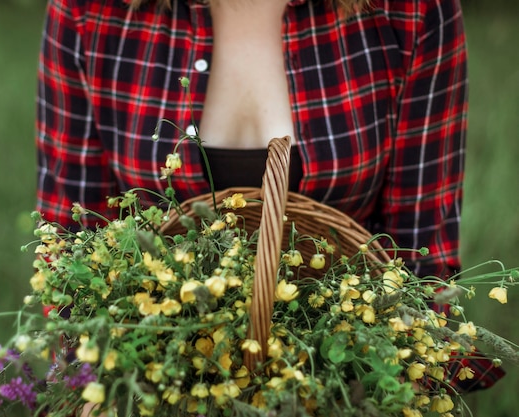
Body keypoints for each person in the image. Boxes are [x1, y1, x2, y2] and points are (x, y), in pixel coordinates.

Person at [35, 0, 503, 392]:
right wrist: (95, 386)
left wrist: (393, 388)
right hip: (155, 379)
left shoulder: (410, 10)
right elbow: (72, 253)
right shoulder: (89, 12)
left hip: (344, 381)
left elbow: (422, 264)